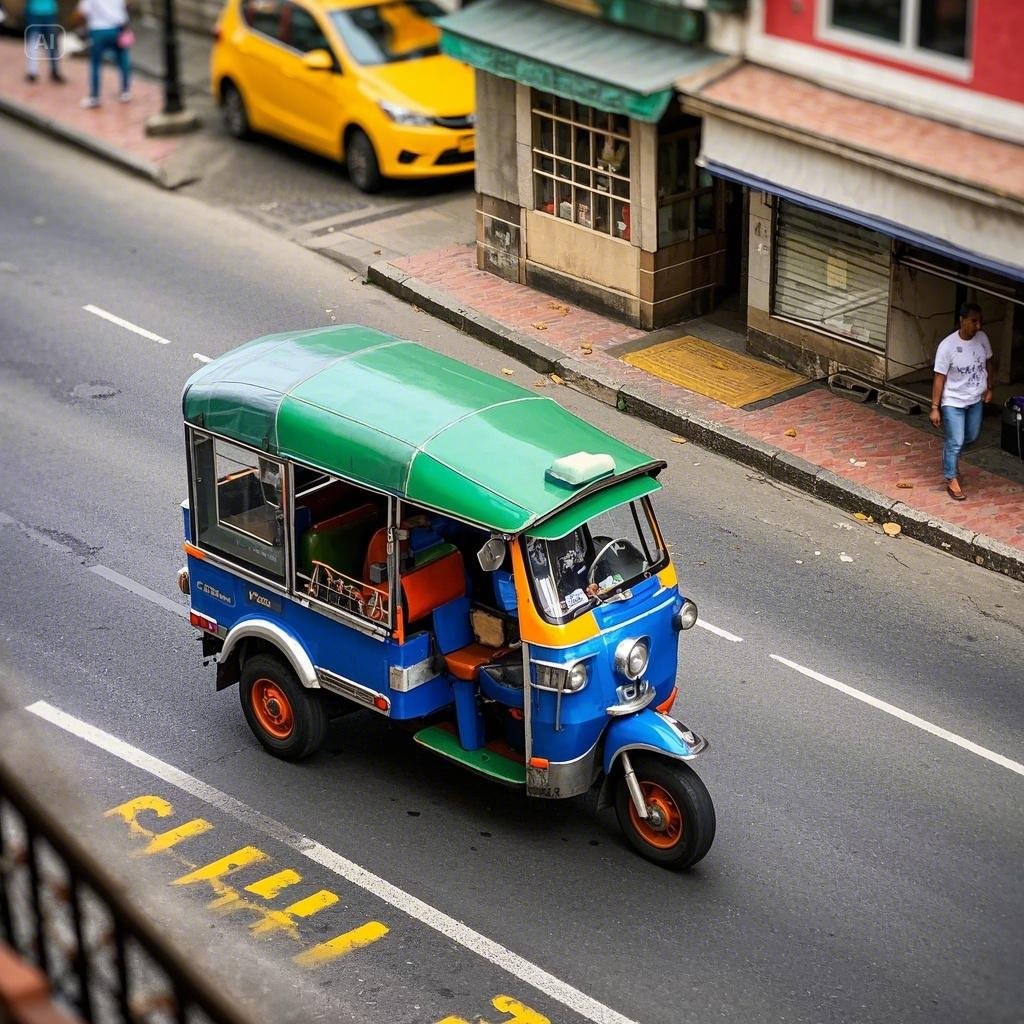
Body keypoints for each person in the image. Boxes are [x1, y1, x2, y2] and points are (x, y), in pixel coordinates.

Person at [929, 302, 993, 501]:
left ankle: (951, 452)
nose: (978, 326)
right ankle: (951, 477)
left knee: (971, 436)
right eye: (973, 321)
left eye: (980, 322)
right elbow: (939, 377)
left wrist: (990, 387)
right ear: (962, 320)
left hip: (975, 398)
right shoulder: (947, 346)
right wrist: (935, 407)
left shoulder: (982, 339)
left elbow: (989, 363)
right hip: (953, 401)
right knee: (956, 440)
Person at [77, 0, 132, 108]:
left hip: (98, 30)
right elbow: (127, 3)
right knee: (123, 59)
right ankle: (125, 92)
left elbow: (82, 12)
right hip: (117, 28)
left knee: (95, 64)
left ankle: (95, 97)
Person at [25, 0, 66, 84]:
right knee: (34, 42)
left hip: (49, 13)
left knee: (51, 44)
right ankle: (32, 71)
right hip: (34, 13)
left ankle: (54, 70)